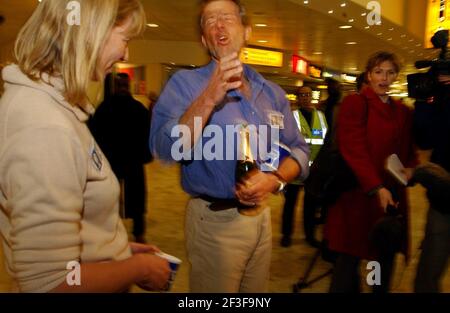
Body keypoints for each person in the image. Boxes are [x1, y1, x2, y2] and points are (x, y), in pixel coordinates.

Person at [0, 0, 170, 292]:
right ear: (91, 32)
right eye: (125, 39)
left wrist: (115, 249)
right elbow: (52, 283)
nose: (126, 52)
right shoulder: (45, 126)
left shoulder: (56, 108)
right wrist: (136, 269)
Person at [150, 0, 309, 292]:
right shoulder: (184, 85)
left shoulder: (270, 93)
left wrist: (274, 179)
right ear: (203, 40)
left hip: (262, 219)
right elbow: (165, 150)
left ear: (246, 30)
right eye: (210, 21)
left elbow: (300, 151)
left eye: (226, 17)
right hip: (214, 223)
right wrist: (209, 96)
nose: (219, 25)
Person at [324, 51, 418, 293]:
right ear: (369, 75)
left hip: (389, 200)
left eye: (390, 73)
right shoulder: (356, 103)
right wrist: (376, 186)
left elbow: (408, 151)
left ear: (396, 76)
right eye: (378, 72)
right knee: (348, 262)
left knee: (381, 262)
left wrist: (411, 170)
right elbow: (353, 148)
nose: (384, 78)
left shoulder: (403, 111)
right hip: (357, 197)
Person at [90, 73, 152, 244]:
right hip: (120, 161)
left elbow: (147, 135)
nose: (123, 87)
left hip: (123, 160)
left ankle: (135, 233)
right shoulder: (135, 109)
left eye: (124, 84)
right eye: (121, 85)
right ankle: (119, 230)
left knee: (135, 198)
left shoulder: (105, 108)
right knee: (112, 196)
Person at [412, 74, 450, 292]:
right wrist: (424, 100)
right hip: (443, 202)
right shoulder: (440, 102)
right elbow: (425, 139)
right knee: (429, 270)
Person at [281, 86, 326, 248]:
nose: (306, 97)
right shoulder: (291, 117)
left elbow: (325, 142)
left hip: (314, 171)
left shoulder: (320, 117)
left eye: (308, 95)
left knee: (310, 206)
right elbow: (284, 142)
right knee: (290, 205)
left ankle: (310, 235)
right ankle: (286, 235)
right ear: (298, 98)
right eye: (302, 95)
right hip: (295, 169)